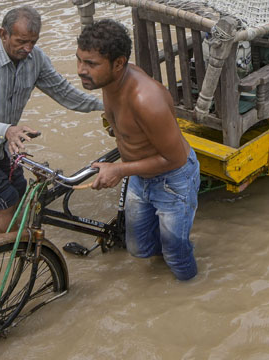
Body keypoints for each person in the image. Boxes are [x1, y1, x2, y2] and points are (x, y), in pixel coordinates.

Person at [0, 6, 104, 234]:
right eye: (21, 41)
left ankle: (9, 235)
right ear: (3, 34)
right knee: (7, 199)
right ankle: (7, 256)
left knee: (19, 188)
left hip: (2, 139)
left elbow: (64, 92)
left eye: (33, 42)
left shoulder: (35, 59)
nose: (27, 48)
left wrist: (104, 106)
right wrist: (7, 130)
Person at [77, 19, 201, 281]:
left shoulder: (145, 99)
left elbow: (175, 158)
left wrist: (120, 169)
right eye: (79, 60)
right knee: (139, 247)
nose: (81, 70)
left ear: (119, 63)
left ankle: (189, 293)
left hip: (173, 179)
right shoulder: (109, 81)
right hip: (139, 176)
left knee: (177, 255)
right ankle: (160, 273)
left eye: (91, 64)